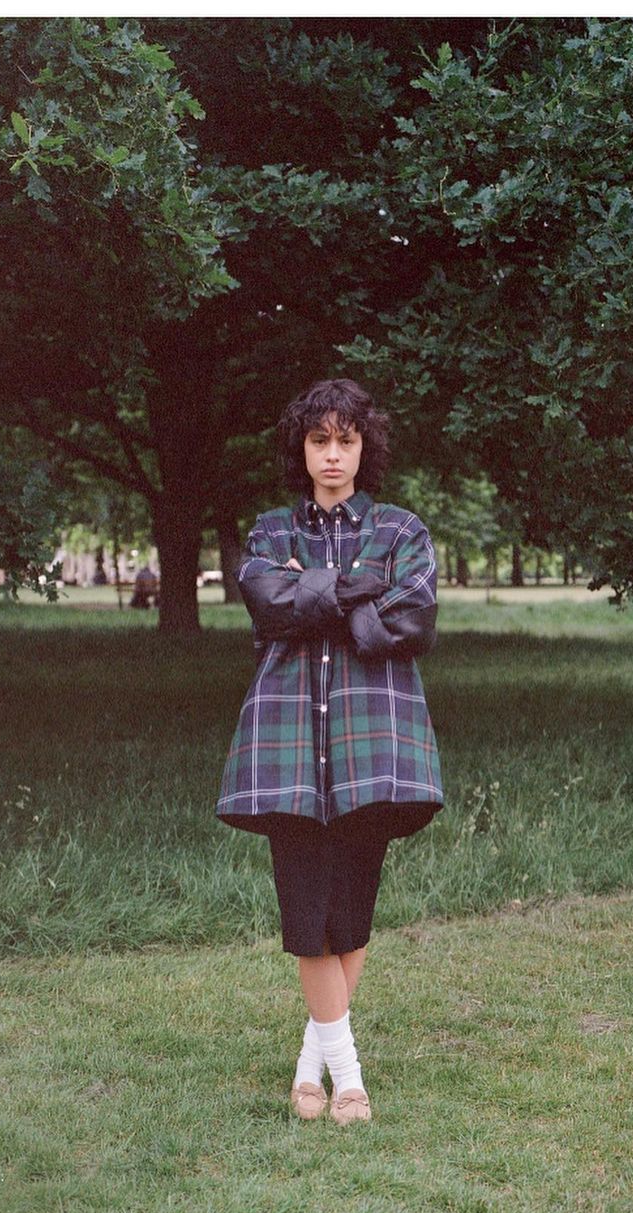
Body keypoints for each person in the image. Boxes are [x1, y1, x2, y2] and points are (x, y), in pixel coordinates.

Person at [216, 378, 443, 1125]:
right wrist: (358, 590)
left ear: (364, 447)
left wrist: (313, 593)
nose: (333, 455)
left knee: (350, 912)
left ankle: (308, 1068)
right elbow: (267, 603)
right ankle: (347, 1079)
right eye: (320, 440)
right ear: (303, 448)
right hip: (284, 742)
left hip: (373, 738)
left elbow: (409, 620)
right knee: (306, 912)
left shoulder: (403, 530)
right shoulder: (269, 533)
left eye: (346, 440)